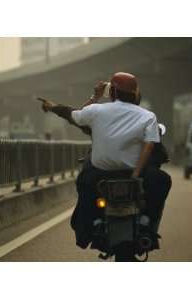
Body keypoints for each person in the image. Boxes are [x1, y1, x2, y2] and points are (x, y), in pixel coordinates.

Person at [42, 72, 171, 251]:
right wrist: (136, 174)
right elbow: (150, 146)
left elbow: (77, 116)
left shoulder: (97, 111)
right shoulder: (148, 116)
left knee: (84, 184)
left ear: (112, 92)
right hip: (132, 174)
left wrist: (95, 96)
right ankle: (147, 222)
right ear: (135, 94)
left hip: (100, 173)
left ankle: (90, 226)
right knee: (162, 180)